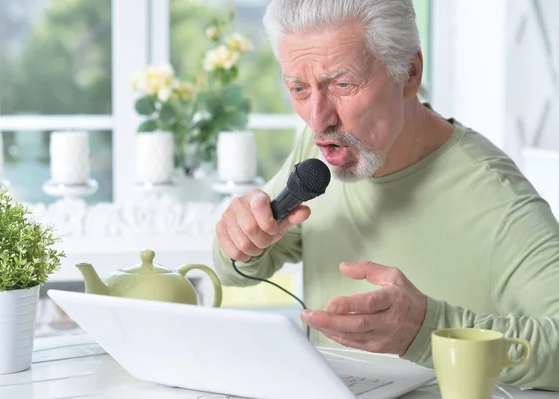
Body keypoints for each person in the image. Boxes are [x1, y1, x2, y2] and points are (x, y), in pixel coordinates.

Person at [212, 0, 559, 391]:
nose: (317, 118)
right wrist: (238, 239)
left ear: (409, 73)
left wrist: (428, 330)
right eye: (298, 88)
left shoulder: (497, 196)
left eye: (342, 85)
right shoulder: (317, 153)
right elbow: (235, 271)